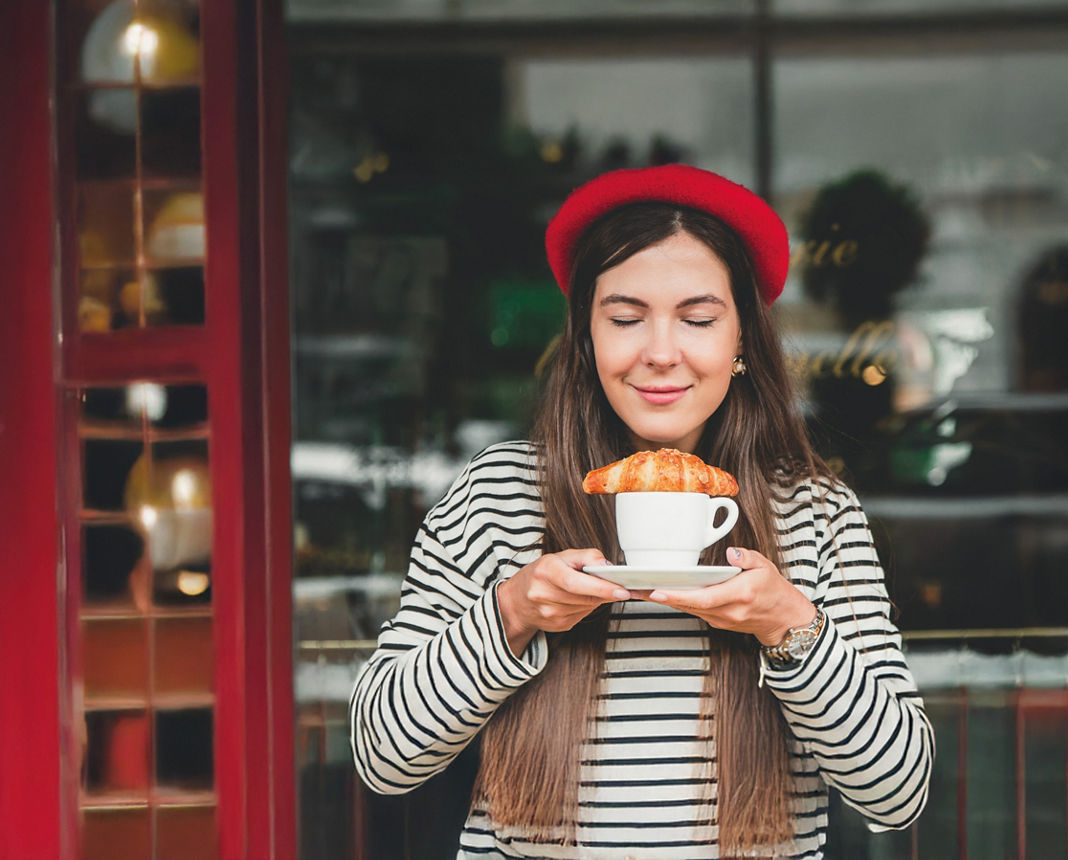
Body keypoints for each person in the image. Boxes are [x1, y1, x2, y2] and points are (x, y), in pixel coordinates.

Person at [349, 164, 935, 859]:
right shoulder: (498, 495)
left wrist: (789, 625)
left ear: (742, 336)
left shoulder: (814, 511)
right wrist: (512, 613)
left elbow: (897, 791)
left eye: (698, 319)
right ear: (587, 336)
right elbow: (383, 758)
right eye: (626, 319)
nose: (661, 353)